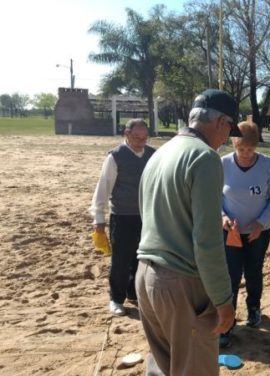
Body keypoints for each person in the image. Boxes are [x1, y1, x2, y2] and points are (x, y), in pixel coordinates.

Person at [135, 89, 241, 376]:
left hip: (146, 276)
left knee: (162, 366)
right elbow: (206, 241)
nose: (228, 137)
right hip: (180, 283)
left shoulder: (160, 153)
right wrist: (224, 300)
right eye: (230, 127)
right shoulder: (205, 158)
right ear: (221, 122)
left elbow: (145, 212)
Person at [219, 120, 270, 348]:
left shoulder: (267, 165)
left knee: (254, 271)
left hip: (258, 232)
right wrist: (223, 217)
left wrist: (261, 222)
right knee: (231, 276)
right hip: (231, 233)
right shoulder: (223, 163)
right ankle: (227, 323)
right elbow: (214, 196)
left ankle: (254, 308)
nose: (245, 154)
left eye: (250, 149)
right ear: (234, 144)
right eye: (240, 148)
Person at [89, 119, 155, 316]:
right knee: (121, 260)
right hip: (122, 215)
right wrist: (98, 218)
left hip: (147, 216)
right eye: (136, 137)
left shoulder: (153, 155)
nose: (141, 141)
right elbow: (103, 188)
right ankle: (116, 299)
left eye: (144, 138)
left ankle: (134, 294)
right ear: (126, 134)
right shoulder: (115, 157)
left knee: (142, 258)